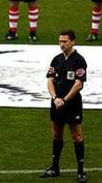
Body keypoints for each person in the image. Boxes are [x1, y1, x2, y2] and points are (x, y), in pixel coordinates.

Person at [40, 29, 88, 183]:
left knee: (76, 136)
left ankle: (81, 171)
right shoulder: (56, 60)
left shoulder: (79, 61)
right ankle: (55, 167)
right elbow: (49, 80)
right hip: (57, 103)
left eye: (65, 41)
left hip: (72, 104)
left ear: (73, 42)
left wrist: (64, 100)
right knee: (56, 135)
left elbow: (79, 84)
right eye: (60, 41)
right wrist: (55, 98)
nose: (62, 44)